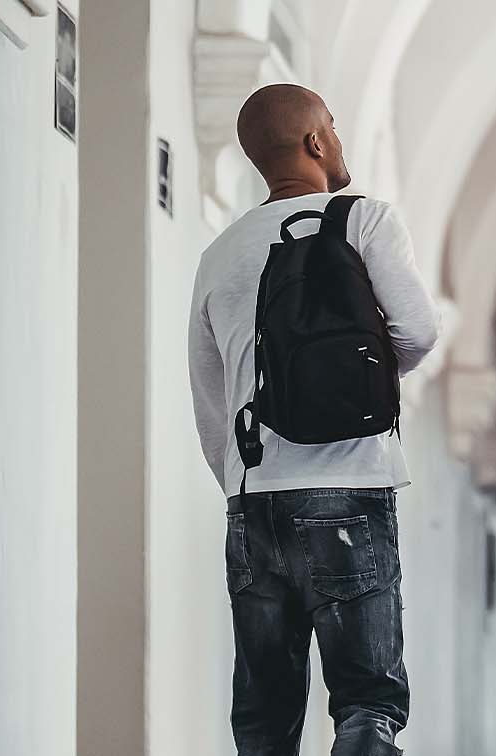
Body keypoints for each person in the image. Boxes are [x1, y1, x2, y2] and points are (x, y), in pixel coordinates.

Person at [188, 83, 439, 756]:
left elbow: (210, 399)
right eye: (332, 125)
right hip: (351, 488)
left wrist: (242, 486)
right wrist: (358, 391)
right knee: (367, 704)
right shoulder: (364, 221)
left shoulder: (220, 253)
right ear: (316, 141)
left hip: (254, 504)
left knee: (265, 717)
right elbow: (417, 332)